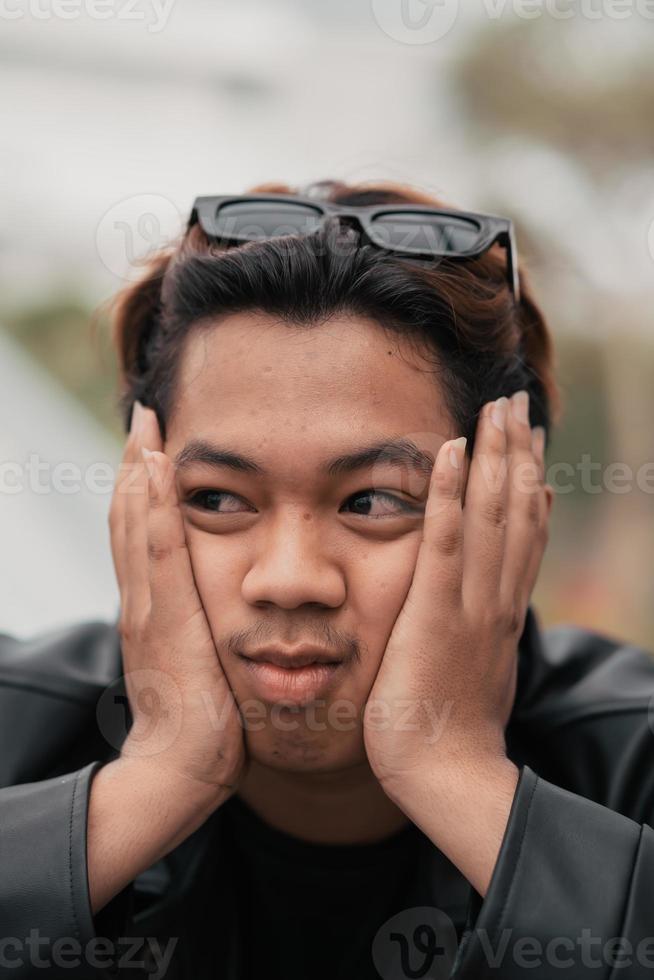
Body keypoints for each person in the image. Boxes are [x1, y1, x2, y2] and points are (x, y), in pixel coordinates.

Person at [1, 179, 653, 980]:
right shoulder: (16, 726)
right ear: (140, 496)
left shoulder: (633, 757)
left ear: (513, 517)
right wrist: (155, 779)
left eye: (373, 501)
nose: (289, 579)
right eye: (216, 499)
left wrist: (456, 774)